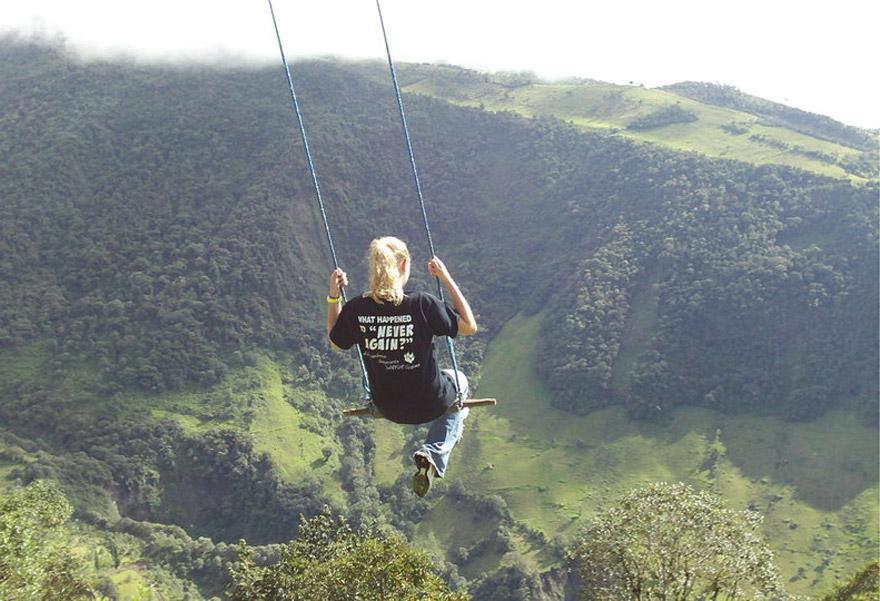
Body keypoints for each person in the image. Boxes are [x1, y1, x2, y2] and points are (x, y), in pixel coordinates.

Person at [326, 236, 478, 496]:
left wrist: (333, 297)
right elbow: (469, 326)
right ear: (405, 263)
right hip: (431, 402)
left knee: (378, 381)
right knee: (460, 380)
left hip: (388, 406)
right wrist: (446, 278)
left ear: (373, 268)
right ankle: (432, 453)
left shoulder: (356, 309)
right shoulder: (423, 304)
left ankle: (431, 456)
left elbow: (336, 343)